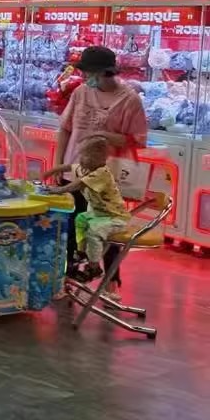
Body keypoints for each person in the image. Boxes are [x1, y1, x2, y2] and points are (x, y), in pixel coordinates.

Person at [55, 46, 146, 298]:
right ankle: (67, 278)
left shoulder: (129, 100)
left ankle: (111, 281)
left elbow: (138, 139)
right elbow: (65, 128)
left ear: (105, 72)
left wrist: (107, 136)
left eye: (88, 72)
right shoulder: (81, 92)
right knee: (72, 227)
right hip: (74, 170)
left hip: (106, 178)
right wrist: (58, 161)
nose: (84, 77)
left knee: (105, 229)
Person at [44, 137, 129, 283]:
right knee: (80, 220)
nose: (82, 159)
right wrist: (51, 171)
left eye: (86, 156)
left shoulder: (101, 173)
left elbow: (77, 185)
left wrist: (58, 190)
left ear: (100, 158)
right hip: (99, 215)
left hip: (115, 217)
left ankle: (94, 267)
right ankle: (82, 252)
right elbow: (70, 167)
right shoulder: (88, 167)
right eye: (81, 155)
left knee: (94, 231)